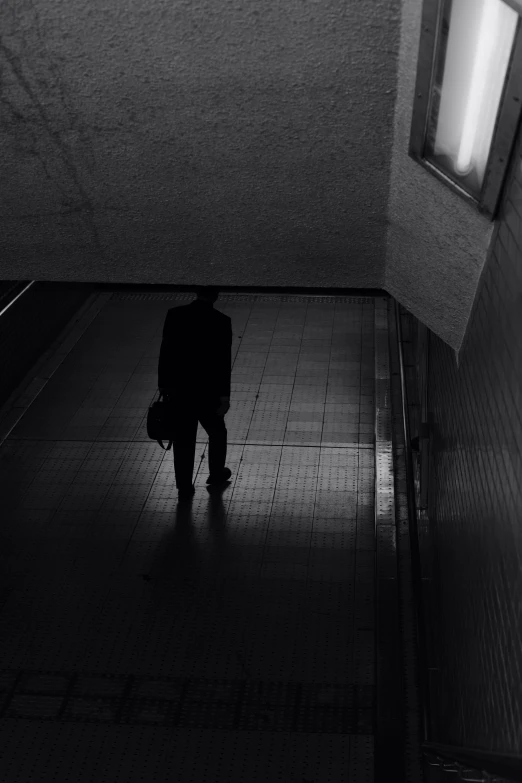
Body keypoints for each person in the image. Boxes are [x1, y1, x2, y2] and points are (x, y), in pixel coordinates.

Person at [158, 285, 233, 501]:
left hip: (179, 391)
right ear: (216, 296)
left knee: (183, 438)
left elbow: (166, 352)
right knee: (217, 432)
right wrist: (224, 397)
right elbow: (222, 363)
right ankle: (216, 473)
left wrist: (164, 385)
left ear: (196, 293)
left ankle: (184, 485)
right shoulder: (221, 321)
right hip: (208, 392)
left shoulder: (175, 315)